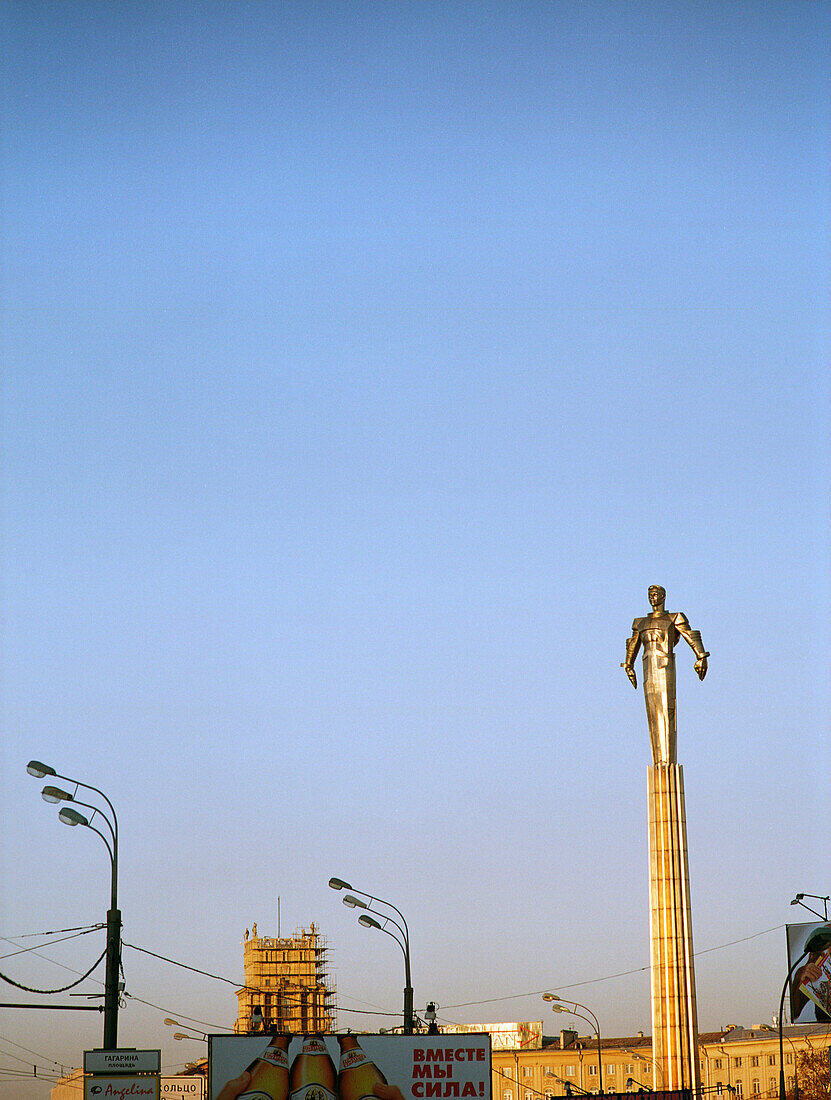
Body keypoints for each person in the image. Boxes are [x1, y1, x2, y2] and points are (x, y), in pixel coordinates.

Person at [623, 585, 709, 765]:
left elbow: (690, 635)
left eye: (656, 594)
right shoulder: (640, 623)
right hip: (648, 666)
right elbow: (633, 644)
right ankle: (660, 761)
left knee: (666, 710)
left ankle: (667, 762)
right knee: (653, 712)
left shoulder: (674, 618)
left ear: (663, 596)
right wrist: (629, 664)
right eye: (650, 595)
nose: (653, 597)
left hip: (665, 665)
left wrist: (701, 656)